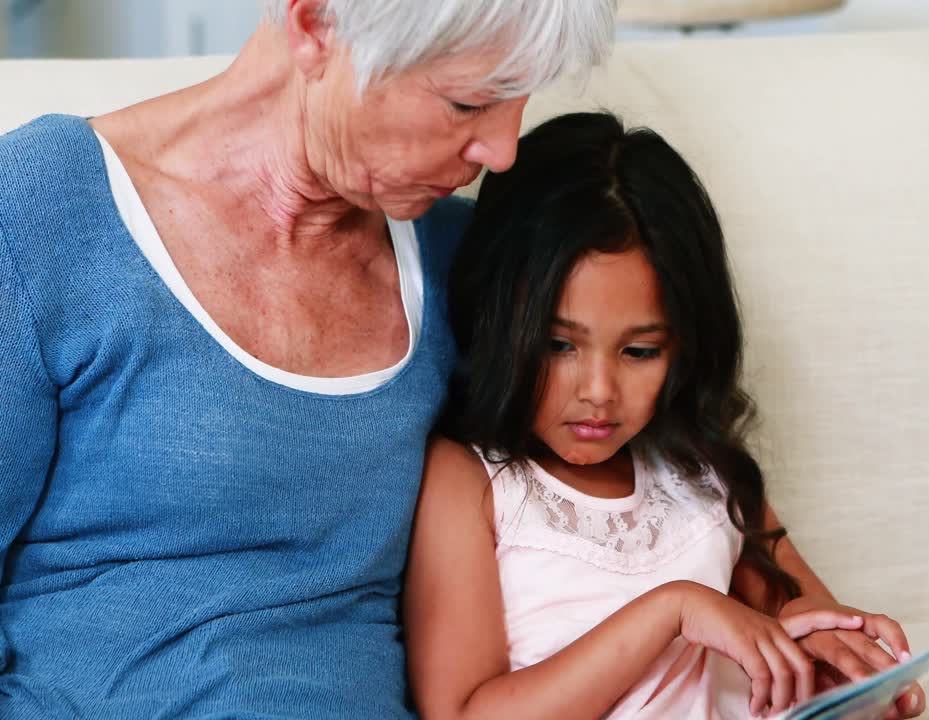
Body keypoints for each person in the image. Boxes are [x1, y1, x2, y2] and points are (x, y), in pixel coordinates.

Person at [0, 1, 614, 717]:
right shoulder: (42, 211)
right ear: (316, 26)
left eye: (517, 101)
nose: (503, 151)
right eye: (468, 102)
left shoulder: (464, 258)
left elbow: (651, 453)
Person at [403, 112, 927, 720]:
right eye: (558, 345)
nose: (599, 391)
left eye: (640, 351)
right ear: (495, 320)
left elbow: (804, 621)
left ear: (685, 345)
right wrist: (672, 610)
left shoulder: (702, 471)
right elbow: (465, 713)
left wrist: (845, 668)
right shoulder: (470, 483)